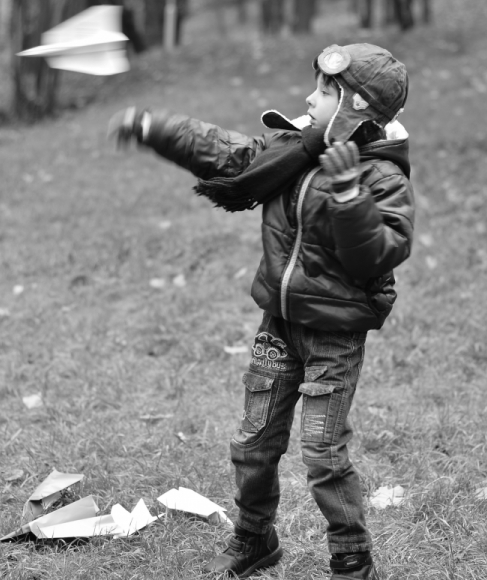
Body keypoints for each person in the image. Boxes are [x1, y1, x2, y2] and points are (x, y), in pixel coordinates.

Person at [108, 43, 414, 580]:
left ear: (357, 107)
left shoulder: (382, 179)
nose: (309, 96)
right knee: (253, 442)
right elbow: (219, 150)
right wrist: (153, 127)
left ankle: (351, 557)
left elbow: (377, 256)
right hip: (278, 327)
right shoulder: (294, 150)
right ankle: (255, 539)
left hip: (334, 340)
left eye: (325, 90)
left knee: (323, 456)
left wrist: (346, 194)